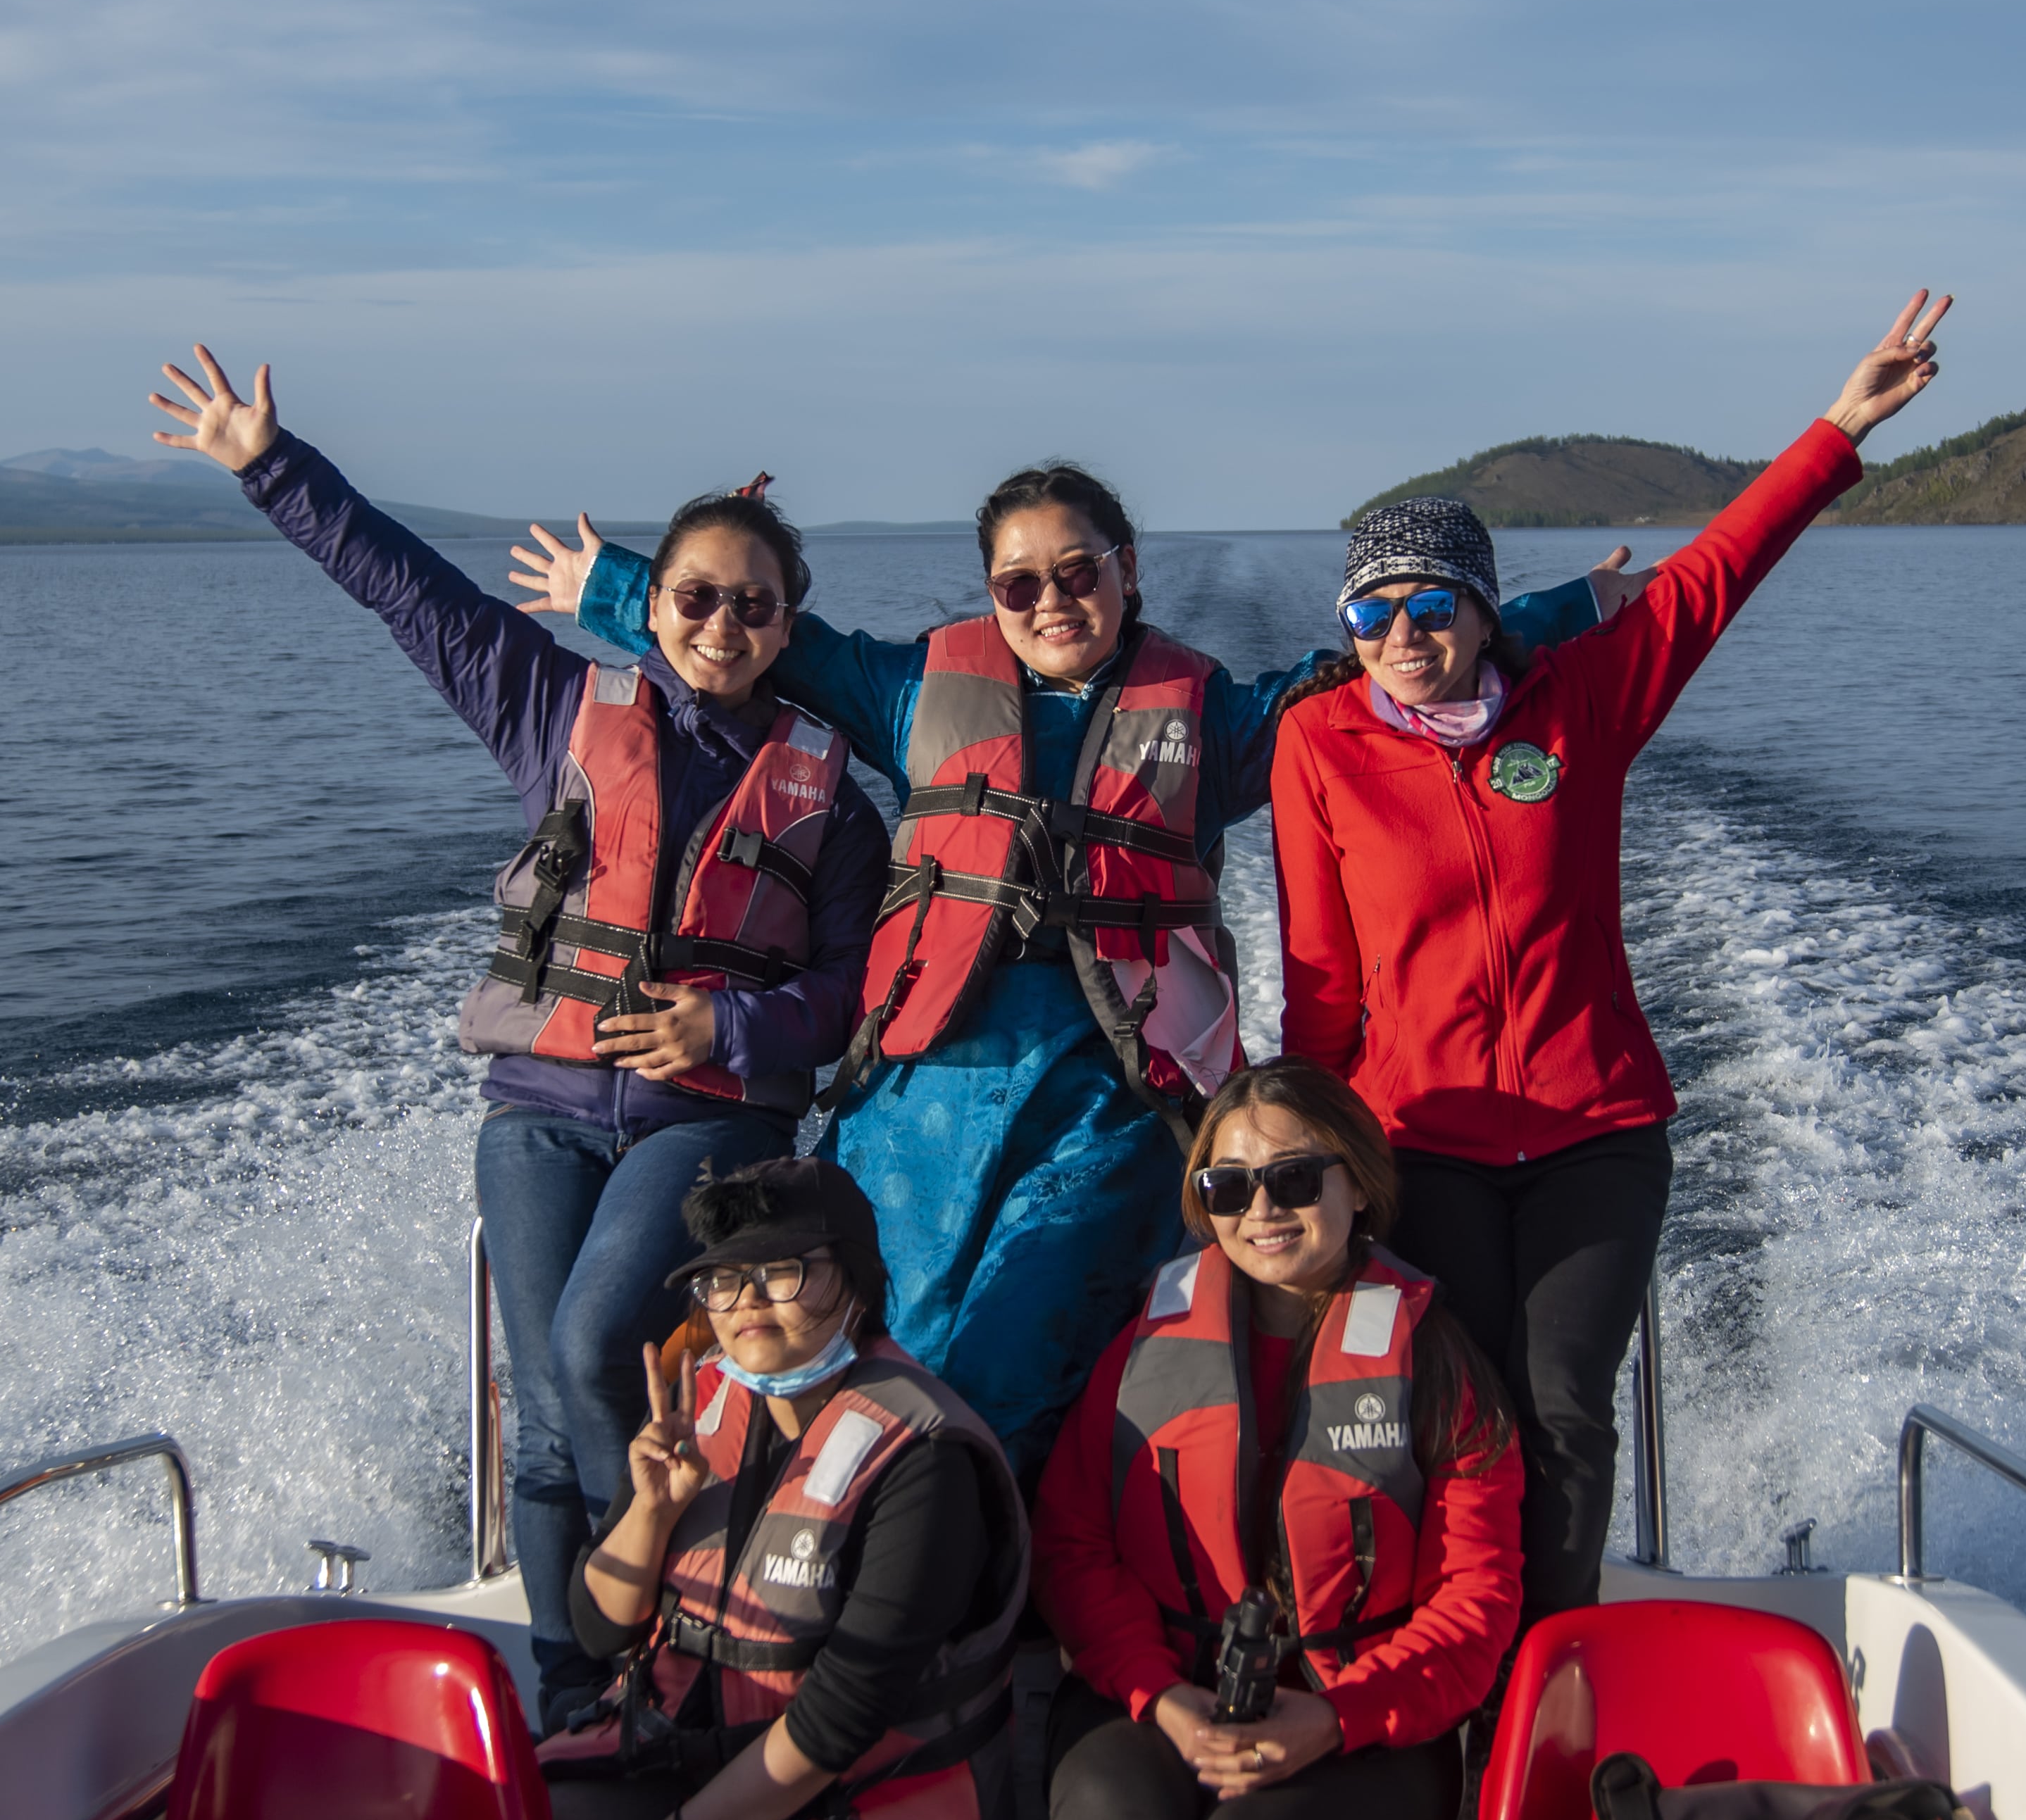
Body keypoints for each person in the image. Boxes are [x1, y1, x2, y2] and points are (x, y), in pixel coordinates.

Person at [507, 467, 1620, 1476]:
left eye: (1078, 571)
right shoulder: (913, 689)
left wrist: (1569, 611)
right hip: (919, 1085)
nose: (1051, 600)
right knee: (871, 1337)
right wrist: (611, 585)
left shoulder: (1221, 718)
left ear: (1127, 572)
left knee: (1005, 1360)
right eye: (1018, 581)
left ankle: (995, 1602)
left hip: (1112, 1089)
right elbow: (762, 640)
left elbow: (1382, 655)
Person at [149, 346, 888, 1720]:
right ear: (652, 607)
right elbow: (406, 593)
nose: (722, 624)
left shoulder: (836, 804)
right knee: (546, 1405)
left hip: (708, 1118)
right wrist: (270, 465)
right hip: (541, 1105)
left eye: (754, 605)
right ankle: (577, 1691)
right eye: (696, 597)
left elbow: (849, 994)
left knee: (598, 1336)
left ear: (789, 626)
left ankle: (667, 1640)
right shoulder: (557, 708)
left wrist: (723, 1019)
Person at [1270, 291, 1952, 1626]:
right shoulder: (1319, 746)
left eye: (1428, 605)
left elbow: (1713, 577)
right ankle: (1461, 1663)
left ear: (1479, 609)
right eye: (1370, 615)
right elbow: (1319, 975)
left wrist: (1838, 427)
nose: (1401, 635)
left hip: (1597, 1131)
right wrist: (1319, 1150)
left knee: (1570, 1413)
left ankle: (1546, 1681)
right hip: (1428, 1140)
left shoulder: (1580, 703)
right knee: (1462, 1418)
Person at [1029, 1058, 1521, 1820]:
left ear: (1359, 1185)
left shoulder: (1439, 1365)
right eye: (1228, 1186)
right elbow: (1074, 1543)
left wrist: (1333, 1719)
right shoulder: (1145, 1347)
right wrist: (1162, 1697)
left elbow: (1478, 1604)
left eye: (1296, 1178)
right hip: (1162, 1692)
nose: (1262, 1209)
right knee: (1111, 1819)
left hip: (1367, 1723)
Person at [545, 1156, 1029, 1820]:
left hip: (864, 1806)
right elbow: (601, 1634)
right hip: (695, 1758)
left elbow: (837, 1722)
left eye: (783, 1268)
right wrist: (650, 1508)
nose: (746, 1299)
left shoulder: (924, 1457)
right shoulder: (705, 1406)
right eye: (724, 1276)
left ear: (853, 1276)